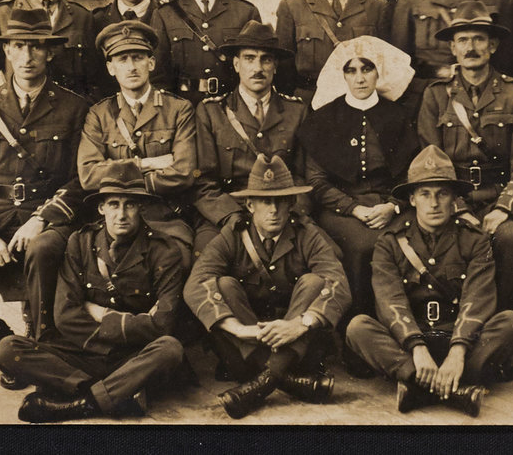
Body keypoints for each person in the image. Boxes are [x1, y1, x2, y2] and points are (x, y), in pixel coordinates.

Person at [0, 8, 88, 386]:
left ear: (50, 53)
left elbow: (81, 180)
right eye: (18, 46)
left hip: (45, 220)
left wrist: (41, 218)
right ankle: (12, 353)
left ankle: (42, 348)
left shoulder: (74, 107)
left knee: (44, 250)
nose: (27, 57)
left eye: (36, 47)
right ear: (6, 52)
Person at [0, 163, 186, 422]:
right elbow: (65, 315)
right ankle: (116, 394)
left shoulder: (165, 251)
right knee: (8, 349)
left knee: (170, 349)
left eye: (130, 205)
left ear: (141, 208)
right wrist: (135, 323)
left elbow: (163, 325)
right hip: (83, 351)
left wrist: (100, 313)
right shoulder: (80, 242)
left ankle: (78, 402)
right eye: (114, 204)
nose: (121, 214)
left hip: (130, 356)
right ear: (101, 208)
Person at [346, 145, 513, 417]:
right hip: (410, 346)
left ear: (455, 198)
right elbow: (389, 300)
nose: (434, 203)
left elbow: (478, 297)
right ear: (412, 199)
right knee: (357, 327)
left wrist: (458, 350)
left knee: (512, 323)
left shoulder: (474, 239)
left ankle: (417, 387)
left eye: (442, 193)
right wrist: (416, 347)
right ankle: (456, 390)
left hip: (461, 341)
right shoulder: (390, 242)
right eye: (425, 194)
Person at [184, 154, 352, 419]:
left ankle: (264, 382)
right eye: (265, 201)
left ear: (291, 204)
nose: (273, 210)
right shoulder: (233, 234)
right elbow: (196, 283)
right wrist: (239, 329)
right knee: (224, 284)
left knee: (314, 281)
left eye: (281, 202)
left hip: (299, 346)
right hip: (247, 349)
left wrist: (300, 325)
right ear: (250, 205)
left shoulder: (306, 233)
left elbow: (337, 281)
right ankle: (285, 379)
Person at [297, 36, 417, 371]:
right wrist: (353, 208)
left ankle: (399, 336)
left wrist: (392, 205)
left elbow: (410, 174)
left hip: (388, 205)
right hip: (341, 208)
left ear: (379, 74)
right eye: (352, 70)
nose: (360, 77)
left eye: (367, 69)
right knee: (365, 247)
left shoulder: (396, 116)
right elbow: (317, 183)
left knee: (403, 243)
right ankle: (355, 342)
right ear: (342, 76)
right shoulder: (325, 119)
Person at [417, 1, 513, 312]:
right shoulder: (435, 95)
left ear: (493, 45)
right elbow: (430, 161)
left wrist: (504, 210)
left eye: (478, 39)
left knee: (511, 238)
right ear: (453, 48)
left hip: (499, 195)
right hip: (451, 196)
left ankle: (502, 320)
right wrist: (458, 208)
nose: (471, 47)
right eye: (463, 40)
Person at [77, 21, 197, 270]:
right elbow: (88, 176)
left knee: (181, 260)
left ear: (151, 63)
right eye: (122, 59)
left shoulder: (178, 109)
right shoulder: (99, 114)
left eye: (138, 57)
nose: (131, 67)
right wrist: (145, 164)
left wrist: (115, 173)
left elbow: (184, 173)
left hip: (163, 218)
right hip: (113, 222)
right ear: (110, 68)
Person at [192, 21, 309, 259]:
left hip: (282, 214)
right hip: (229, 214)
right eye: (249, 58)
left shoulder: (296, 111)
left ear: (275, 66)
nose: (258, 67)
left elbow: (304, 176)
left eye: (266, 59)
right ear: (236, 64)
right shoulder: (211, 112)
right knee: (204, 260)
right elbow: (204, 183)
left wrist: (291, 214)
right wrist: (234, 217)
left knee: (328, 257)